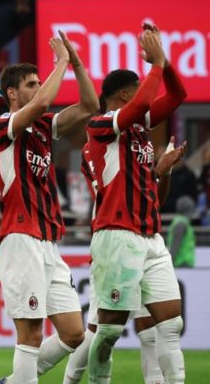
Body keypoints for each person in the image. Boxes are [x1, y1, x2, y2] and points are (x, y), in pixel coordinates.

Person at [0, 31, 100, 384]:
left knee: (73, 333)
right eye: (31, 83)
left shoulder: (42, 127)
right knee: (31, 336)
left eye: (40, 82)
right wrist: (62, 63)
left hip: (49, 242)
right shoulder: (2, 126)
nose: (39, 88)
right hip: (20, 237)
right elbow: (37, 106)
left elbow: (90, 106)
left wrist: (78, 65)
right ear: (11, 93)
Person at [85, 24, 187, 384]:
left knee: (171, 324)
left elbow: (178, 94)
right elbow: (146, 101)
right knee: (108, 332)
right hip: (117, 237)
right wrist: (155, 64)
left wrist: (166, 63)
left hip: (150, 237)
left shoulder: (138, 127)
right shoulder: (100, 125)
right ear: (126, 94)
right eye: (137, 92)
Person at [64, 135, 188, 384]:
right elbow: (115, 195)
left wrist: (166, 172)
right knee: (98, 331)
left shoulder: (139, 144)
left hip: (145, 240)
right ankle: (70, 381)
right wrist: (158, 169)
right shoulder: (95, 146)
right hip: (115, 247)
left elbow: (155, 201)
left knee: (153, 329)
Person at [166, 196, 196, 267]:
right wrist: (169, 266)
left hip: (182, 263)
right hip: (181, 263)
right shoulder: (181, 224)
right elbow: (175, 246)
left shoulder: (181, 222)